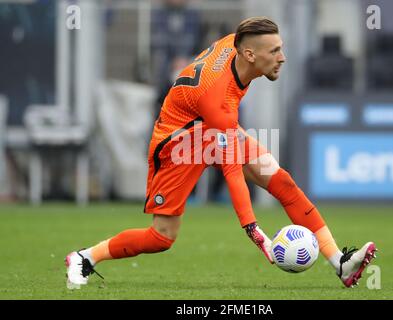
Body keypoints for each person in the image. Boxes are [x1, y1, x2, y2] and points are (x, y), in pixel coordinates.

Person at [65, 17, 377, 289]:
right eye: (275, 52)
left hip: (207, 127)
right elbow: (232, 173)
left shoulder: (238, 46)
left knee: (282, 182)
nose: (282, 57)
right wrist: (255, 232)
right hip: (176, 143)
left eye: (280, 48)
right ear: (250, 54)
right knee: (161, 238)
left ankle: (339, 262)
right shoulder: (219, 101)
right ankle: (84, 257)